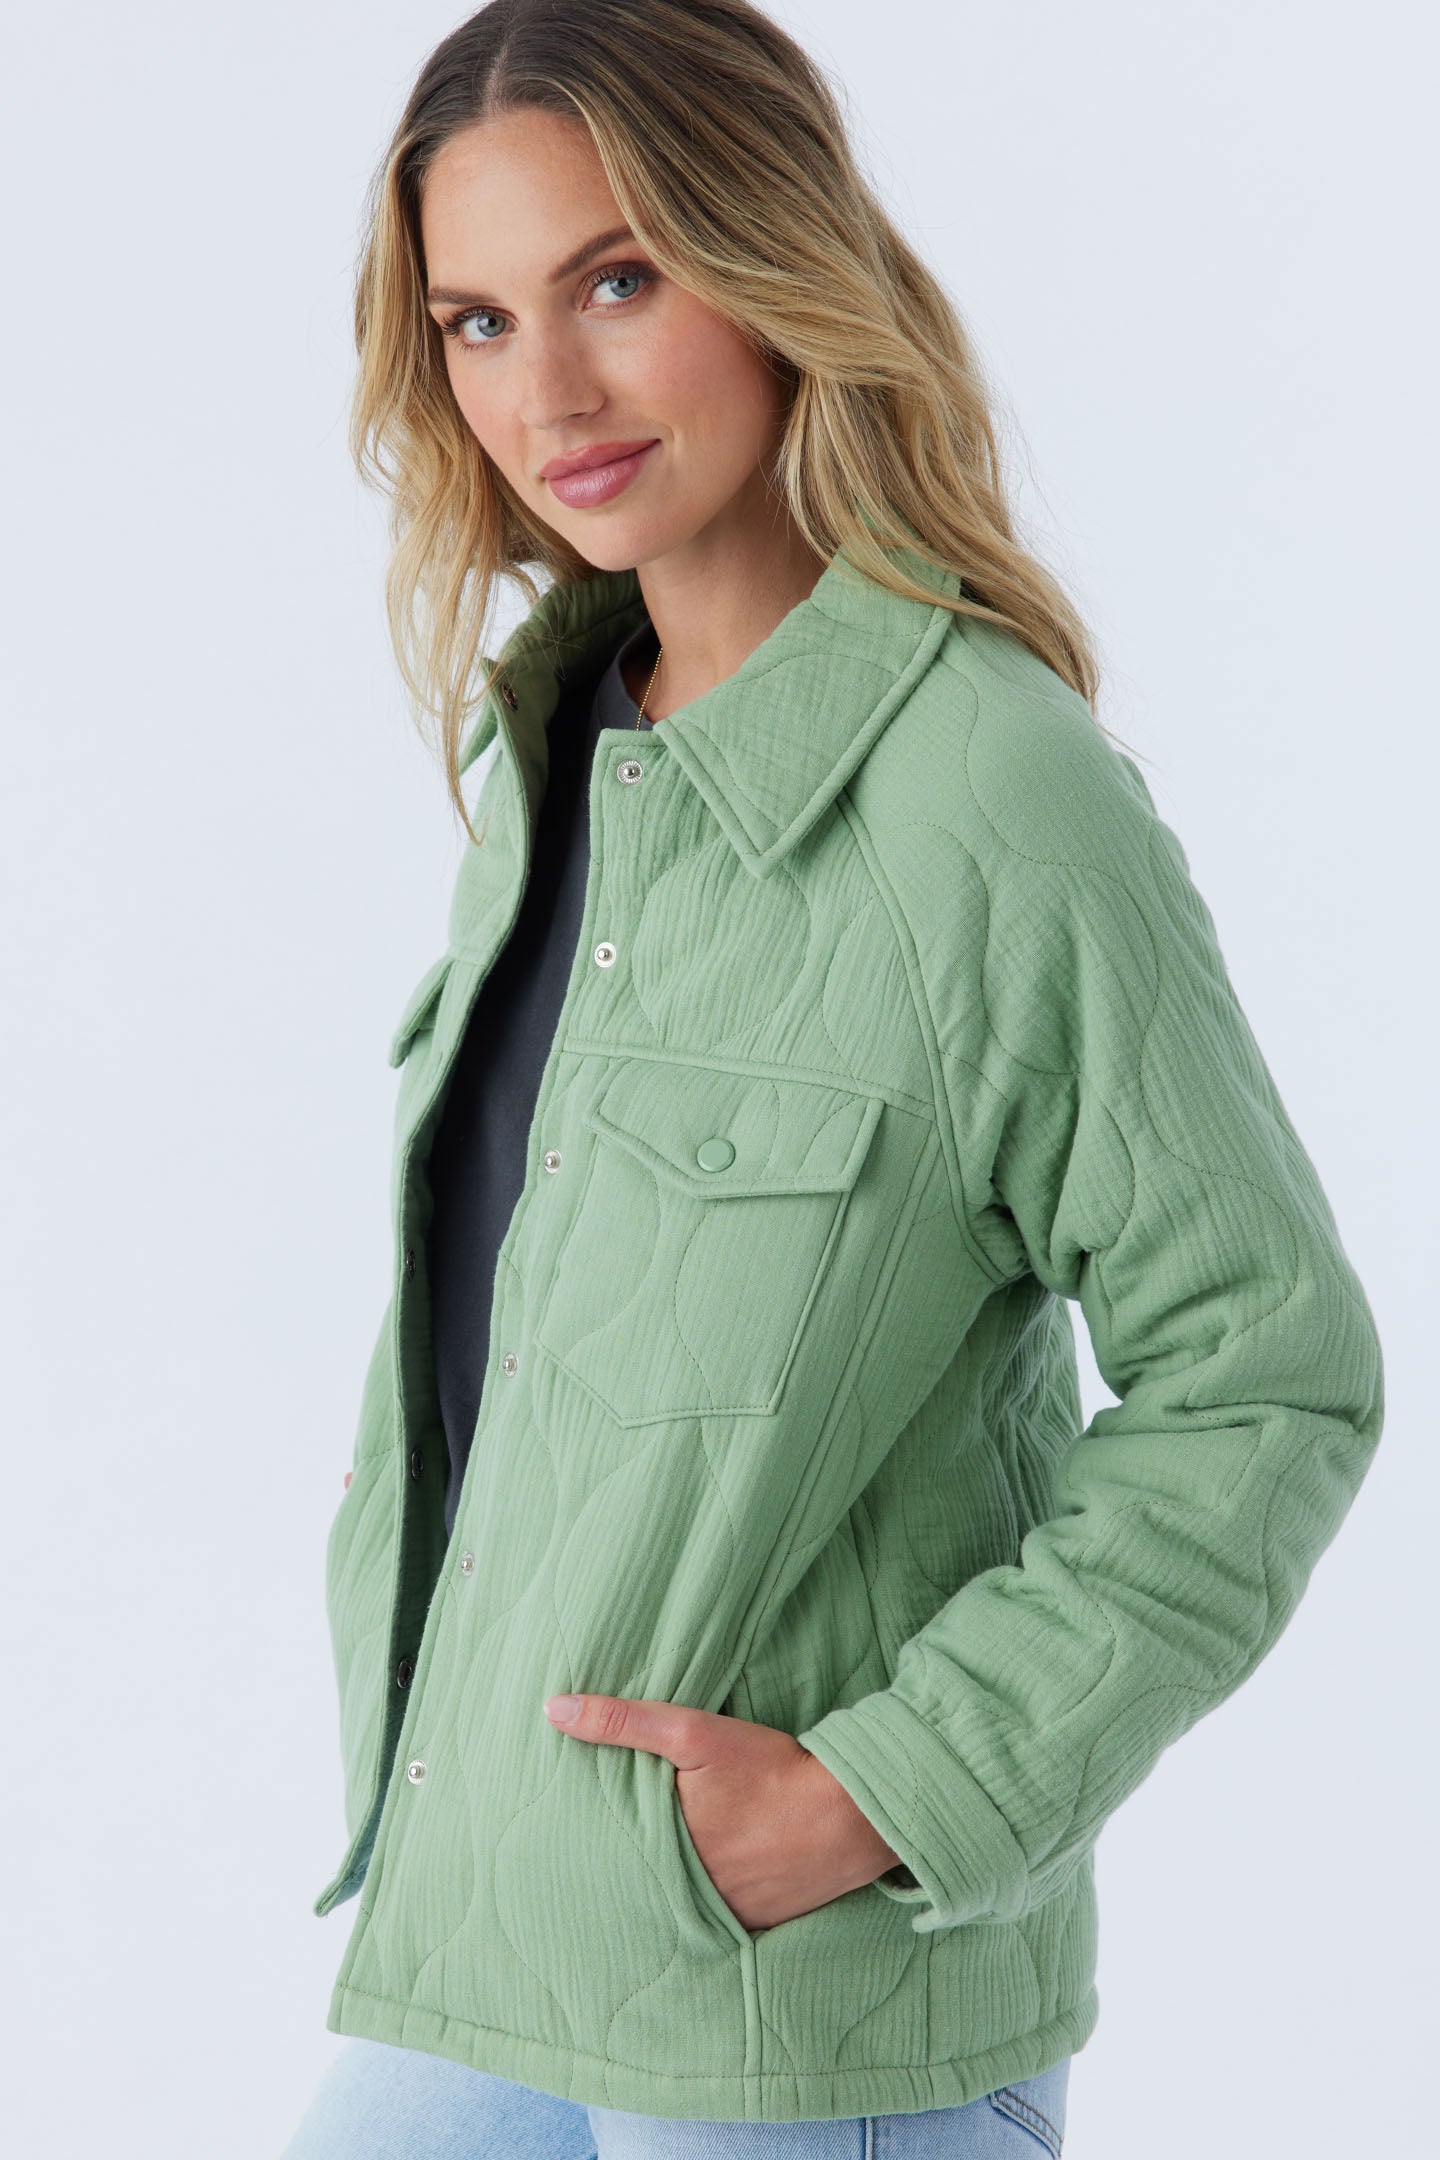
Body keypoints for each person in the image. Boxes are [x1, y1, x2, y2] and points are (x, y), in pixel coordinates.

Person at [281, 2, 1385, 2153]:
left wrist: (893, 1787)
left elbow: (1270, 1374)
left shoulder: (990, 795)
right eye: (480, 322)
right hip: (496, 1931)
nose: (548, 392)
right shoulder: (561, 765)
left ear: (774, 255)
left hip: (800, 2014)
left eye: (618, 280)